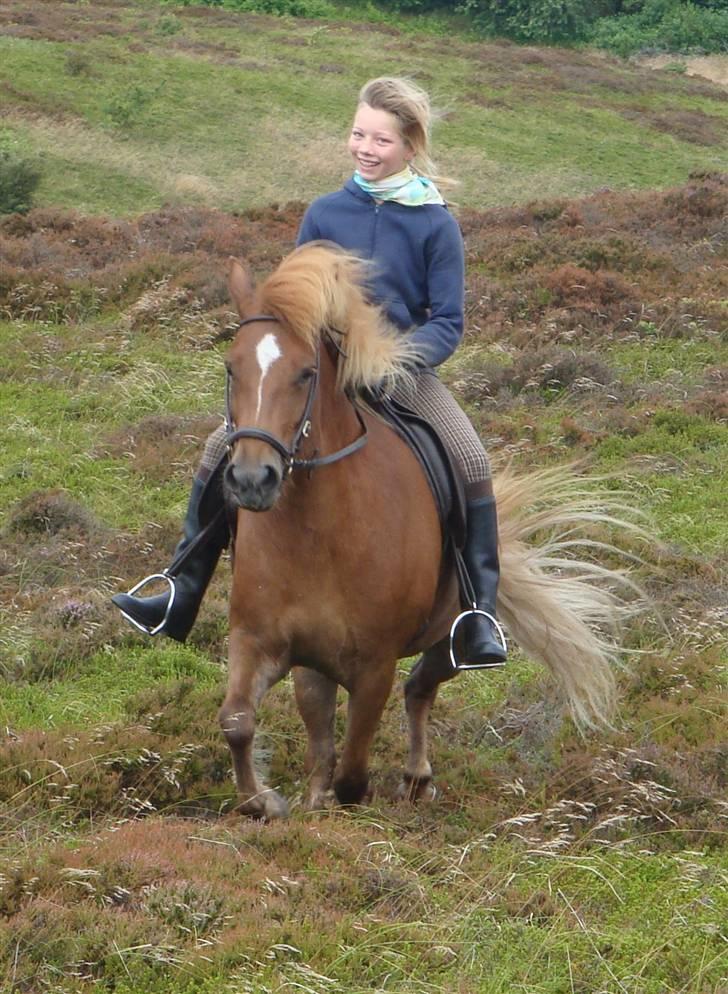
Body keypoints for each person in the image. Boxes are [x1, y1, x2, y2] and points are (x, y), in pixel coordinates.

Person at [112, 76, 506, 667]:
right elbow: (289, 305)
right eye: (358, 134)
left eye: (381, 140)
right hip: (319, 374)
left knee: (470, 458)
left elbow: (447, 322)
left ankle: (478, 615)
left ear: (411, 146)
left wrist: (397, 363)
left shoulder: (435, 224)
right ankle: (179, 585)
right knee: (224, 442)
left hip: (400, 376)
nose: (365, 149)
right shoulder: (326, 211)